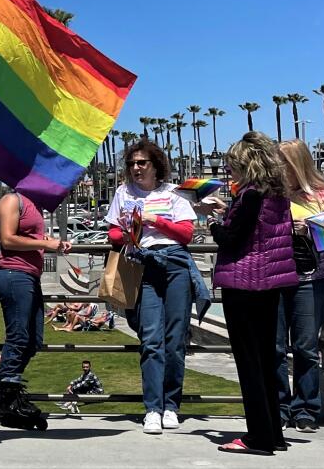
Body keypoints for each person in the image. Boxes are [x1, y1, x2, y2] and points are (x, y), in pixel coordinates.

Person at [105, 138, 208, 435]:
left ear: (155, 165)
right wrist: (127, 233)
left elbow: (186, 233)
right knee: (151, 339)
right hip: (142, 266)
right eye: (132, 163)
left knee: (175, 340)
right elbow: (112, 232)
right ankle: (152, 407)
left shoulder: (175, 193)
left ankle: (171, 405)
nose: (136, 168)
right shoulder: (123, 193)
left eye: (142, 163)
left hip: (174, 265)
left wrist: (153, 219)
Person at [210, 132, 298, 456]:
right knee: (264, 362)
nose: (230, 171)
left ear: (248, 165)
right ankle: (273, 433)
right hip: (270, 285)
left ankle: (257, 438)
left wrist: (213, 224)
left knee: (248, 364)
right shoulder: (277, 195)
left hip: (243, 285)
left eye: (233, 165)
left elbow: (232, 239)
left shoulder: (249, 196)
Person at [274, 139, 324, 432]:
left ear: (297, 164)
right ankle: (278, 405)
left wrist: (310, 228)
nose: (278, 168)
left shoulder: (323, 195)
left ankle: (305, 408)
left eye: (283, 162)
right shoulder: (271, 195)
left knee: (305, 346)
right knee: (275, 346)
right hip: (275, 278)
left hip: (310, 278)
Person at [0, 188, 71, 429]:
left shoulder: (34, 204)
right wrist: (47, 243)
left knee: (33, 339)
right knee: (19, 336)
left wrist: (52, 244)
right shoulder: (13, 200)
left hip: (29, 276)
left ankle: (1, 396)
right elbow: (8, 239)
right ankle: (9, 398)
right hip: (13, 274)